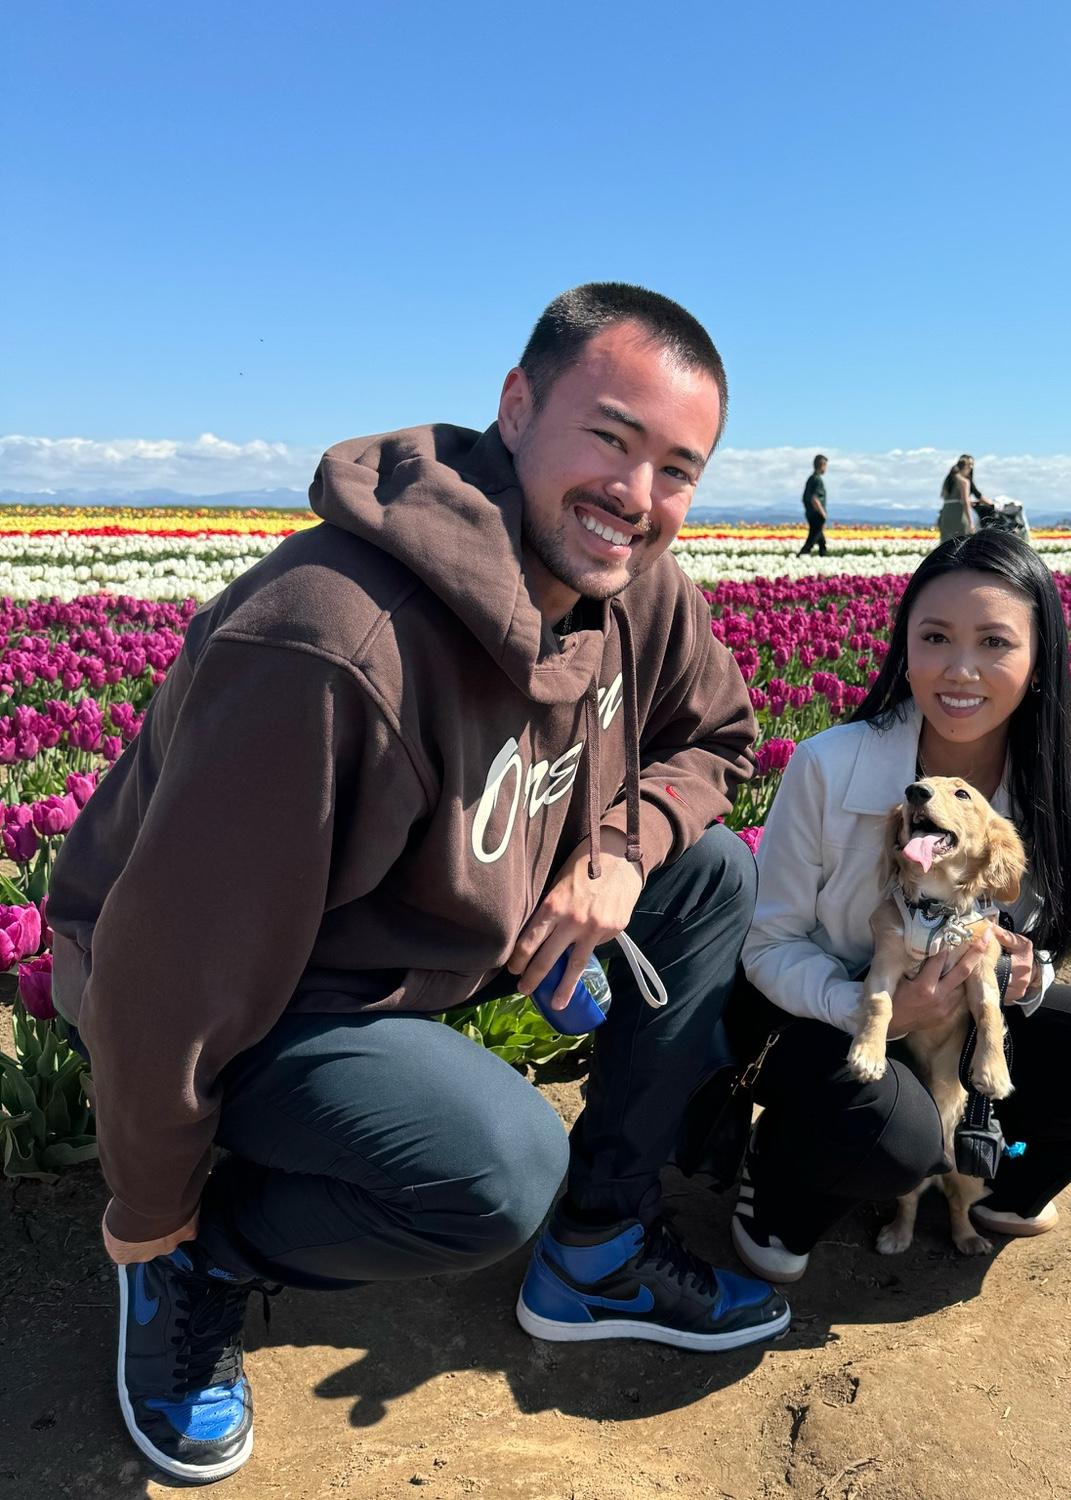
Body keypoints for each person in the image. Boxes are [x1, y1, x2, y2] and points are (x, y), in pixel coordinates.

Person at [46, 283, 792, 1485]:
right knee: (497, 1167)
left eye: (676, 470)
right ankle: (196, 1263)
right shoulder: (329, 643)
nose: (636, 495)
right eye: (610, 437)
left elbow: (715, 739)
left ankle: (597, 1247)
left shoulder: (634, 587)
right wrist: (148, 1210)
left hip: (442, 928)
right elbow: (163, 983)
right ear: (517, 406)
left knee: (704, 876)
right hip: (263, 994)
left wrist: (617, 852)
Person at [728, 529, 1071, 1281]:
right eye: (935, 637)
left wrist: (1026, 972)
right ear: (904, 646)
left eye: (994, 642)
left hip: (960, 1021)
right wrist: (874, 1010)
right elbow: (768, 947)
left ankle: (1000, 1178)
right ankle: (777, 1182)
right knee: (897, 1129)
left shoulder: (1065, 789)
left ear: (1039, 659)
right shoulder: (829, 764)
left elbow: (1035, 937)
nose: (960, 669)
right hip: (819, 1017)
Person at [938, 454, 976, 541]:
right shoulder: (964, 482)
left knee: (946, 543)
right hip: (958, 515)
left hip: (945, 513)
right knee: (961, 542)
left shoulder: (948, 480)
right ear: (965, 467)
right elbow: (965, 501)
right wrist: (971, 522)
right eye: (969, 467)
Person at [799, 454, 829, 556]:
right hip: (817, 515)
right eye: (825, 465)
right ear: (822, 465)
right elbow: (814, 498)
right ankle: (801, 556)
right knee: (812, 540)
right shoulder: (817, 480)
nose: (826, 468)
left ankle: (823, 557)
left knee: (821, 541)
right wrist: (822, 513)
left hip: (810, 513)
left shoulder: (811, 479)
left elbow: (804, 498)